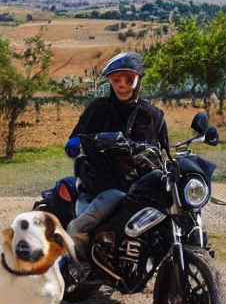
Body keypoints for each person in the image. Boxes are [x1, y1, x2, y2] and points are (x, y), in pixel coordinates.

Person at [64, 51, 170, 280]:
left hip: (142, 186)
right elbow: (74, 139)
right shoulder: (98, 109)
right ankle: (79, 262)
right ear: (110, 82)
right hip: (103, 184)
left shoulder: (153, 115)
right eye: (116, 79)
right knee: (79, 227)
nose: (122, 85)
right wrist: (76, 144)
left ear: (138, 79)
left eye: (128, 79)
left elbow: (165, 153)